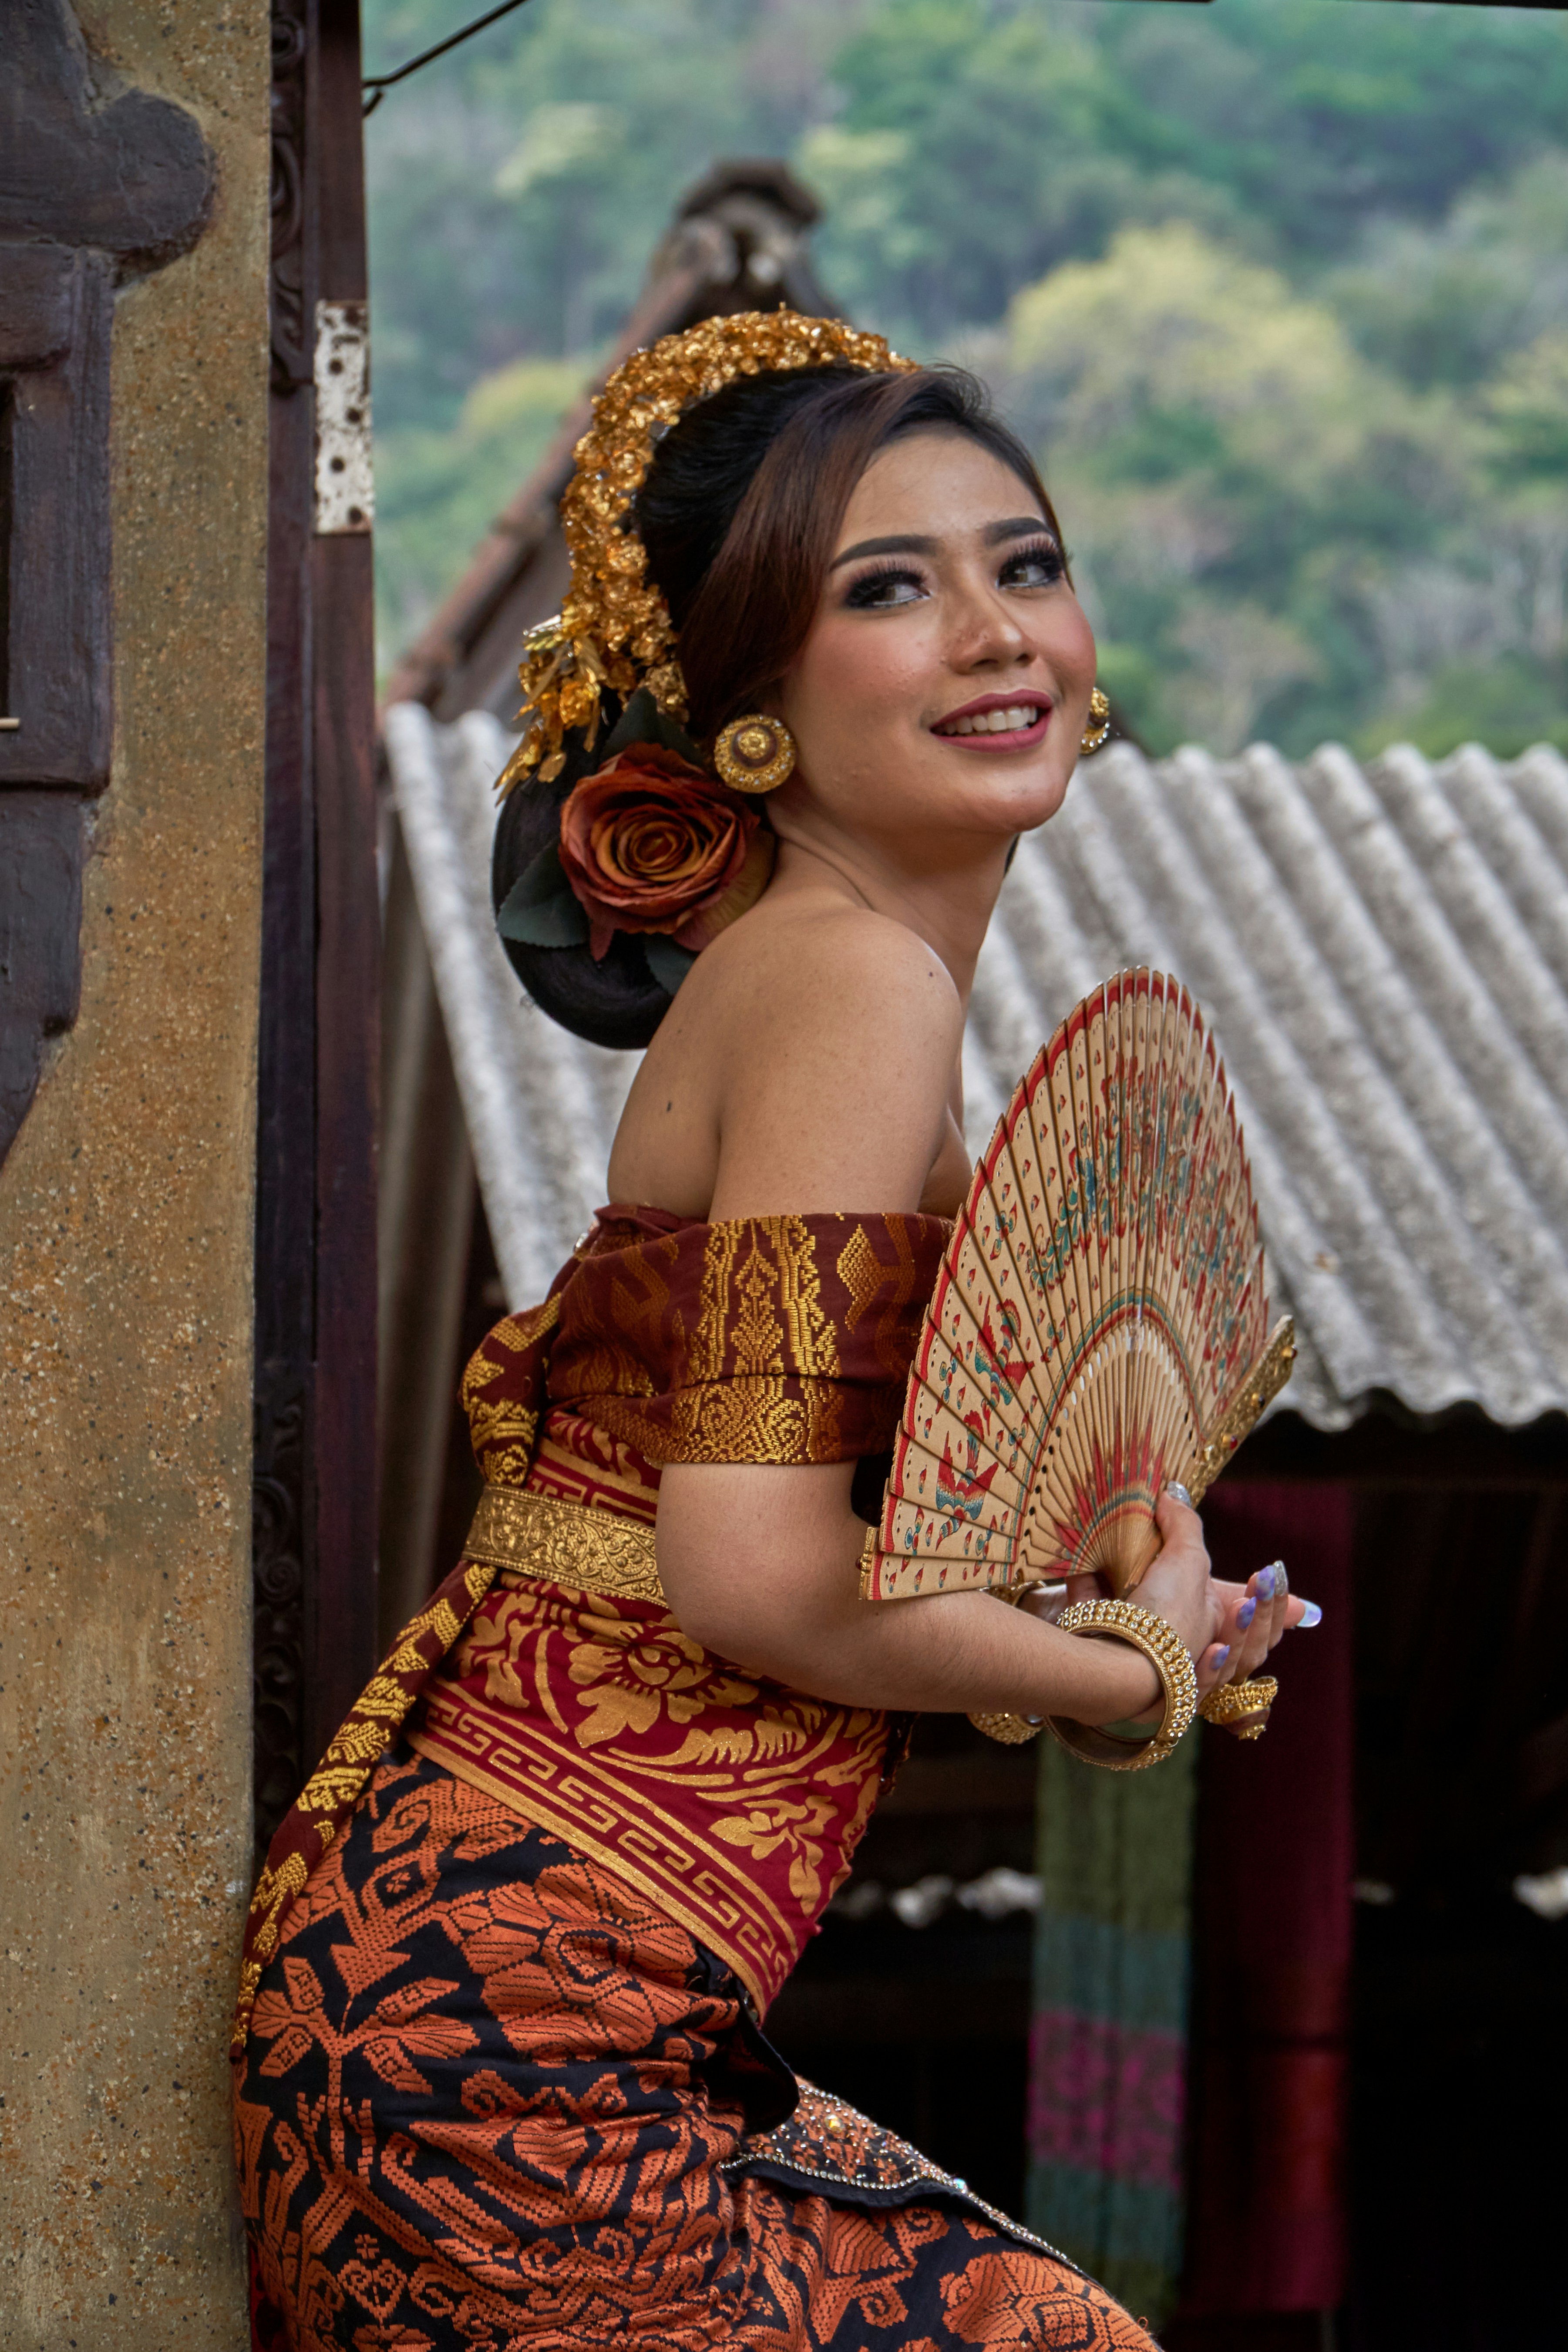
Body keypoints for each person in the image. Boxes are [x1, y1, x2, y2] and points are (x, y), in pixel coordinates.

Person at [232, 314, 1311, 2352]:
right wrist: (1130, 1670)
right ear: (753, 710)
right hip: (508, 2037)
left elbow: (812, 1549)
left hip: (493, 1994)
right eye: (887, 590)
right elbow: (748, 1572)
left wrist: (1110, 1616)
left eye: (1025, 563)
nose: (993, 631)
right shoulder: (848, 984)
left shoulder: (841, 979)